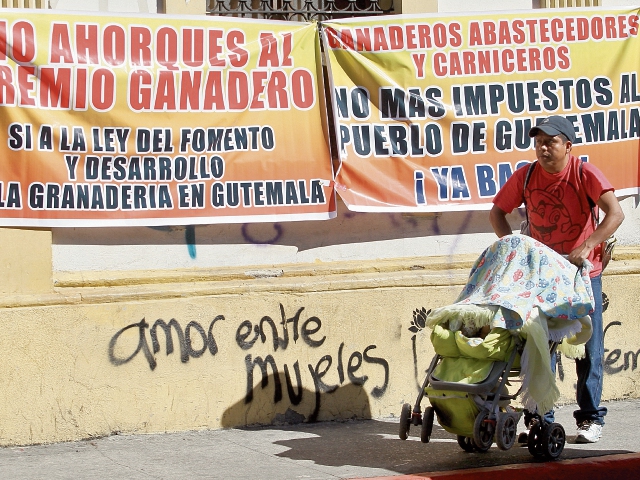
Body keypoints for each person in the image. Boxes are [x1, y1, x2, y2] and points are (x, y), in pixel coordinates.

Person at [489, 115, 625, 443]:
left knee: (589, 348)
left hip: (581, 275)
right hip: (542, 277)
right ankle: (540, 419)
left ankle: (591, 418)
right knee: (538, 347)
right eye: (538, 143)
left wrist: (589, 244)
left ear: (568, 145)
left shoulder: (584, 173)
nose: (543, 148)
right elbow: (496, 212)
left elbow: (616, 213)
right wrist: (516, 249)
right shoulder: (526, 176)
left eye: (550, 141)